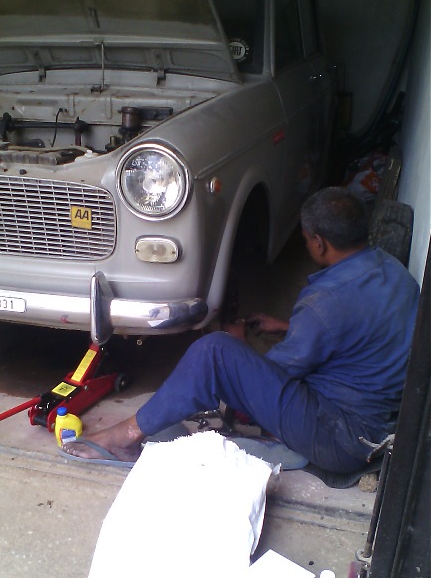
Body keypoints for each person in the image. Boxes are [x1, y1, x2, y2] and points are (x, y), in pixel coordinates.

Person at [65, 187, 420, 473]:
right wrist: (289, 326)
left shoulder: (325, 301)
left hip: (338, 441)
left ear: (319, 243)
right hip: (377, 431)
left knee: (215, 353)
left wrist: (240, 345)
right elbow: (359, 332)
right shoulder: (395, 273)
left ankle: (124, 437)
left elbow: (273, 375)